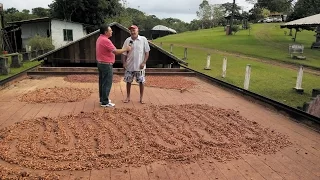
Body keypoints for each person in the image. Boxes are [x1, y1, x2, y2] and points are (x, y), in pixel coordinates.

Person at [96, 24, 131, 107]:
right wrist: (126, 49)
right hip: (106, 64)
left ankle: (102, 99)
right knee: (107, 83)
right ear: (106, 32)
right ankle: (105, 102)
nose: (112, 31)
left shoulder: (100, 38)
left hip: (101, 63)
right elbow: (116, 51)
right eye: (110, 30)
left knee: (102, 82)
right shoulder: (106, 40)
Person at [121, 25, 150, 104]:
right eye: (131, 30)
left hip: (140, 66)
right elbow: (123, 53)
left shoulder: (143, 39)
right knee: (128, 81)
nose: (133, 32)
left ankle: (141, 98)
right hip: (129, 65)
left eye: (134, 30)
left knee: (141, 82)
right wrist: (124, 63)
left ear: (138, 30)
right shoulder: (127, 40)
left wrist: (144, 62)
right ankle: (128, 97)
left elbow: (147, 52)